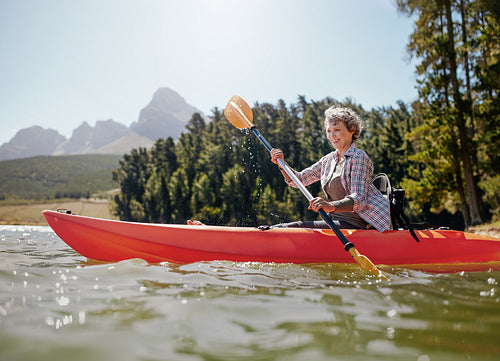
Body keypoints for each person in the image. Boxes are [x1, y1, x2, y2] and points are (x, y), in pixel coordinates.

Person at [267, 106, 390, 232]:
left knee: (291, 228)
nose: (332, 136)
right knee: (284, 228)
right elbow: (299, 180)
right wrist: (282, 165)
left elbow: (359, 199)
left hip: (360, 226)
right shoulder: (328, 160)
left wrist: (330, 206)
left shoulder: (358, 157)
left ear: (352, 130)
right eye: (329, 131)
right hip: (335, 223)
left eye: (337, 130)